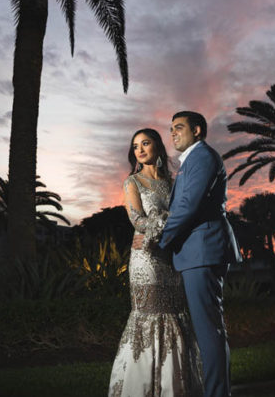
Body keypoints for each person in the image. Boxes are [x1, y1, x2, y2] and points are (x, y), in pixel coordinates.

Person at [108, 128, 203, 397]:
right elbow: (137, 221)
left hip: (171, 258)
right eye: (135, 145)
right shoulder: (132, 183)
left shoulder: (173, 184)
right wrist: (165, 220)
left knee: (175, 317)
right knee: (148, 318)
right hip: (145, 262)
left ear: (158, 147)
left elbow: (185, 217)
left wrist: (165, 223)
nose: (139, 149)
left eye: (145, 143)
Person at [157, 111, 243, 397]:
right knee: (208, 330)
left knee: (209, 332)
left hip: (203, 251)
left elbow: (189, 205)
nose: (173, 133)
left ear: (197, 130)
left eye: (178, 128)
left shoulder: (203, 156)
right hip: (197, 252)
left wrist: (161, 242)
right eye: (170, 129)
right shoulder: (191, 160)